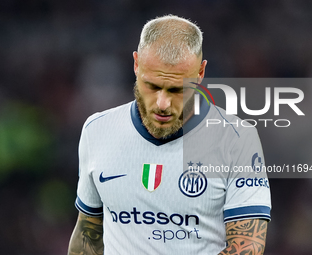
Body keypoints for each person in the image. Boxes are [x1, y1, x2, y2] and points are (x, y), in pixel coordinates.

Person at [68, 15, 271, 255]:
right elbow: (87, 233)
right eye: (152, 86)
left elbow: (247, 247)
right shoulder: (97, 130)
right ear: (136, 63)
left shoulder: (236, 138)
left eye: (177, 89)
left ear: (201, 72)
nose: (162, 103)